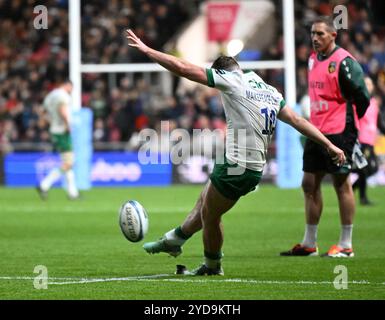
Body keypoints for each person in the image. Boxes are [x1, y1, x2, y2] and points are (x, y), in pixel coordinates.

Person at [125, 29, 345, 275]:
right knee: (203, 203)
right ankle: (174, 240)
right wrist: (329, 144)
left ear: (221, 72)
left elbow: (184, 68)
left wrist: (148, 51)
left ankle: (211, 266)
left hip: (238, 166)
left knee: (210, 216)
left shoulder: (230, 80)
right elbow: (296, 120)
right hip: (246, 165)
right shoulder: (268, 90)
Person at [280, 16, 370, 258]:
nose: (315, 38)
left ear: (333, 35)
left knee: (341, 183)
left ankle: (346, 245)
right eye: (313, 33)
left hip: (340, 129)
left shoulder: (344, 62)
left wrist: (352, 128)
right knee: (309, 184)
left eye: (320, 33)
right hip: (316, 130)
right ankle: (309, 243)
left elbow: (362, 96)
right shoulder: (311, 59)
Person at [36, 80, 80, 200]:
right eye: (71, 89)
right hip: (62, 131)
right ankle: (44, 185)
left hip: (54, 131)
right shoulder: (63, 96)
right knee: (69, 162)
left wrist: (50, 122)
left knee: (67, 162)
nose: (71, 91)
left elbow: (41, 112)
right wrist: (67, 126)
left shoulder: (51, 95)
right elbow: (63, 111)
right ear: (68, 85)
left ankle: (73, 193)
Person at [352, 77, 385, 205]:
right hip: (361, 141)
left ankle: (352, 189)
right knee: (365, 168)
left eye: (370, 83)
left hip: (371, 142)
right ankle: (363, 198)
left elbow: (379, 125)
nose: (368, 85)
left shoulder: (374, 104)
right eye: (365, 83)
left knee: (372, 168)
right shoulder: (358, 102)